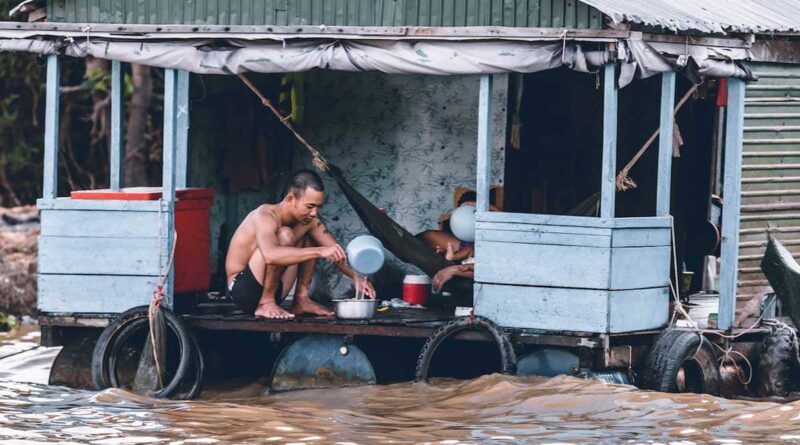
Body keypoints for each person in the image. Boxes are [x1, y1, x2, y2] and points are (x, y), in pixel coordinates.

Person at [226, 169, 376, 319]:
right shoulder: (264, 215)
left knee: (309, 231)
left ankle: (301, 299)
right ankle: (266, 302)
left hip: (276, 289)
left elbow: (335, 251)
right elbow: (270, 255)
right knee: (285, 235)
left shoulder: (309, 220)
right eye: (310, 206)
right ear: (291, 199)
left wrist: (358, 278)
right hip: (243, 290)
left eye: (318, 207)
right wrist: (319, 251)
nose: (314, 213)